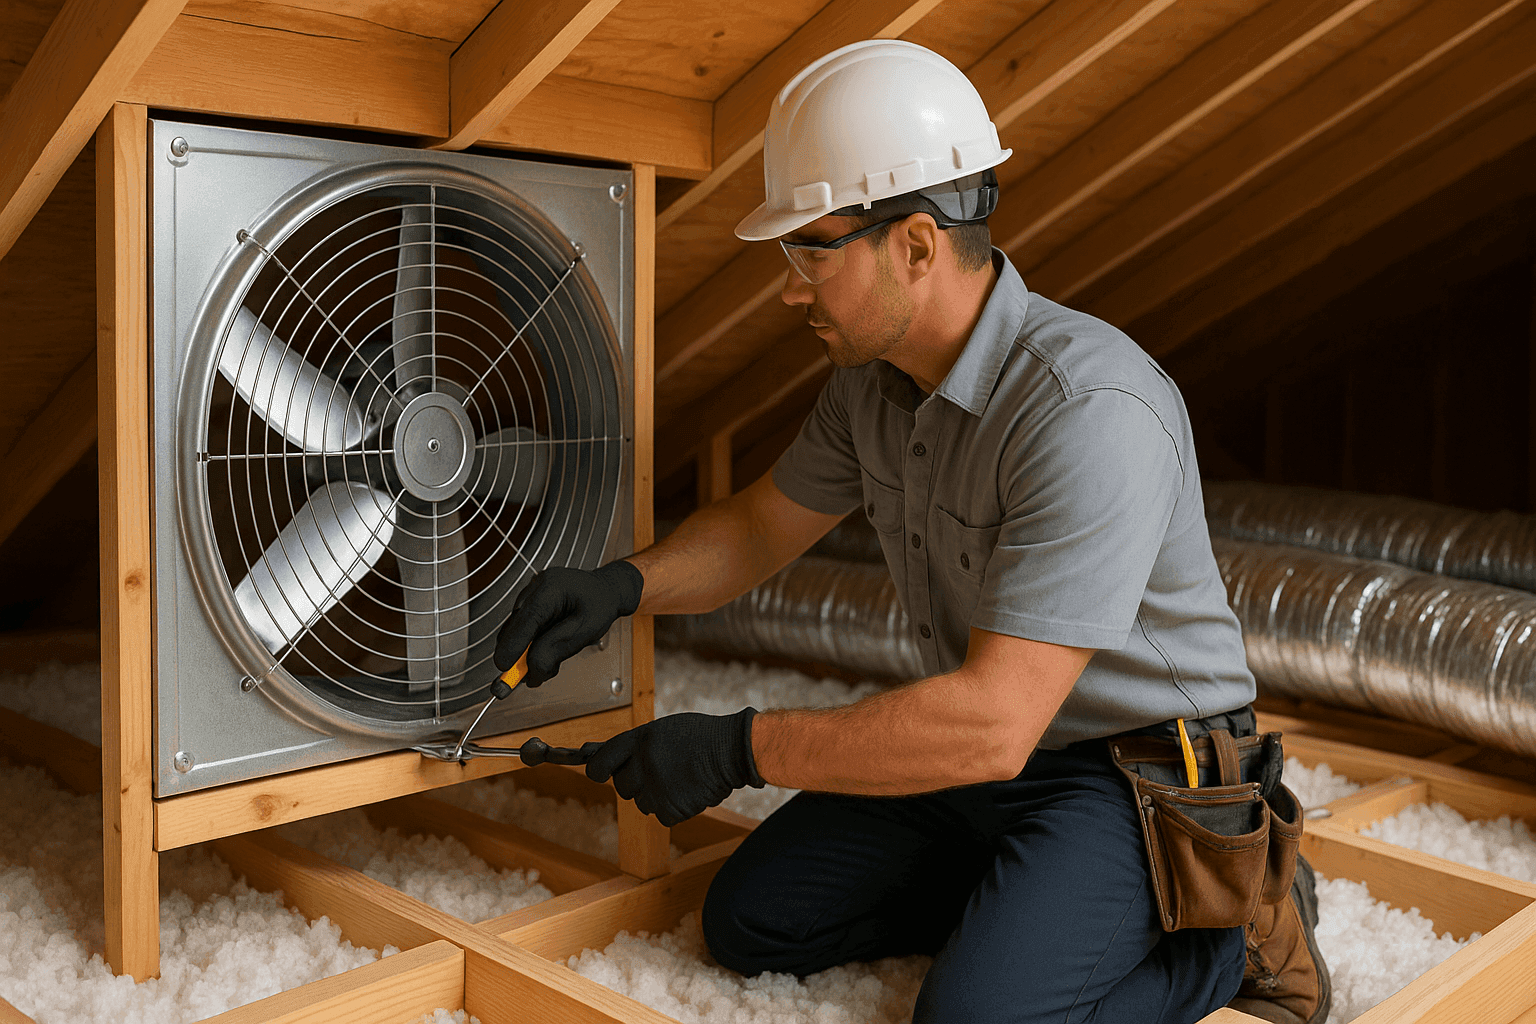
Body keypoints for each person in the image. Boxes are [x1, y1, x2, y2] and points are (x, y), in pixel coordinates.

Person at [494, 39, 1329, 1024]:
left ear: (918, 245)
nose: (789, 286)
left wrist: (739, 747)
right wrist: (620, 586)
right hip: (990, 766)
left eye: (810, 249)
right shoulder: (872, 387)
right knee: (752, 922)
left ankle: (1231, 933)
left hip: (1141, 779)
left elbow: (991, 718)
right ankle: (1030, 903)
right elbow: (760, 526)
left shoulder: (1089, 406)